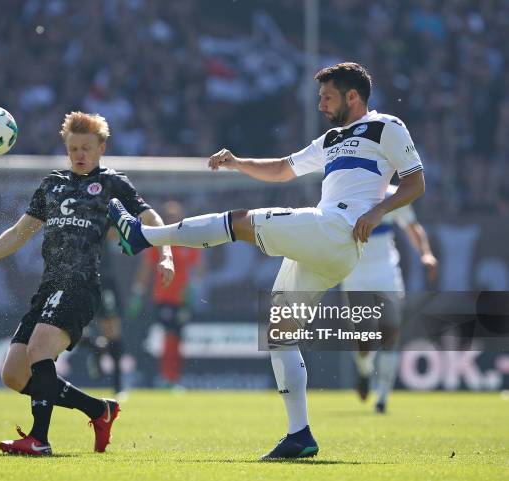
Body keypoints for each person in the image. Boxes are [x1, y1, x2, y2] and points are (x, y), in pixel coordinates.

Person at [107, 62, 426, 460]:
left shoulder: (386, 127)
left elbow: (415, 182)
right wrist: (239, 162)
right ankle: (299, 435)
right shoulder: (330, 139)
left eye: (327, 97)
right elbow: (281, 169)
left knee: (240, 221)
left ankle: (143, 236)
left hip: (336, 230)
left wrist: (378, 211)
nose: (321, 105)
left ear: (352, 97)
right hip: (329, 246)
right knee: (279, 334)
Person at [0, 112, 174, 456]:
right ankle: (99, 410)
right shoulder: (52, 183)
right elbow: (18, 234)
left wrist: (165, 253)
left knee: (39, 349)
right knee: (14, 375)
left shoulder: (113, 183)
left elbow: (150, 218)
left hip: (81, 285)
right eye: (73, 149)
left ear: (101, 147)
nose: (79, 154)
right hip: (49, 286)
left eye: (86, 148)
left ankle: (39, 439)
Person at [342, 184, 438, 413]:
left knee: (390, 335)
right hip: (354, 275)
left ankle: (382, 398)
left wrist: (426, 254)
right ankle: (364, 372)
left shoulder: (393, 196)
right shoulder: (345, 192)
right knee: (363, 339)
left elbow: (413, 228)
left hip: (386, 274)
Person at [128, 200, 202, 388]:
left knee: (176, 338)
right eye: (169, 216)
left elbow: (199, 269)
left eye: (175, 216)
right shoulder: (159, 242)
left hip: (182, 300)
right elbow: (145, 270)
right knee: (165, 337)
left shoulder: (189, 241)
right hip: (163, 298)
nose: (172, 220)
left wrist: (195, 288)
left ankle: (172, 378)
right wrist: (137, 293)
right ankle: (164, 377)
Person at [79, 239, 127, 396]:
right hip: (76, 279)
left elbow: (117, 231)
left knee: (113, 332)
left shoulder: (102, 216)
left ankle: (118, 384)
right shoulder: (65, 217)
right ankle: (96, 347)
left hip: (103, 279)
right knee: (72, 330)